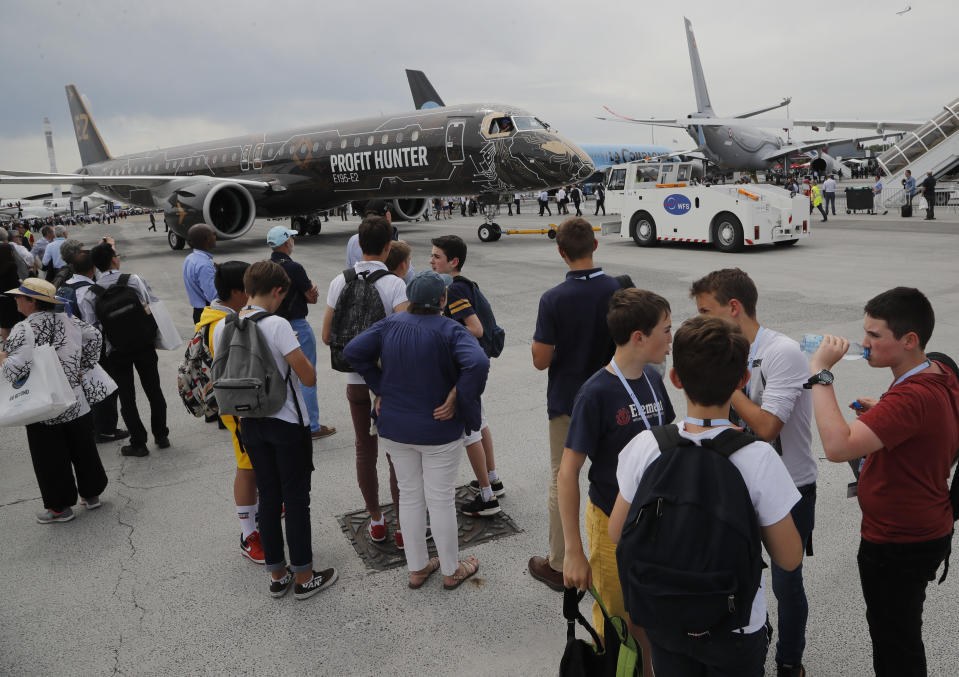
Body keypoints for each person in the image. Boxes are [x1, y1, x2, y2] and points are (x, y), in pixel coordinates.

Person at [608, 315, 803, 676]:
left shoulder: (646, 446)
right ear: (742, 381)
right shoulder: (757, 457)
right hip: (735, 625)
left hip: (664, 617)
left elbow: (617, 533)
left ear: (676, 379)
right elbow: (789, 557)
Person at [806, 287, 958, 676]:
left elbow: (838, 446)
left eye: (875, 335)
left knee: (896, 644)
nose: (864, 343)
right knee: (900, 632)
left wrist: (821, 373)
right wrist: (885, 415)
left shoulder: (911, 398)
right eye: (865, 332)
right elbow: (929, 424)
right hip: (923, 526)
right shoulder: (937, 373)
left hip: (898, 542)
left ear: (910, 340)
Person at [691, 268, 817, 677]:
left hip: (789, 487)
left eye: (706, 312)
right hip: (735, 488)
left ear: (734, 308)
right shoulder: (722, 349)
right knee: (735, 578)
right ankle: (745, 651)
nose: (700, 321)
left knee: (786, 583)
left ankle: (788, 661)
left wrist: (723, 383)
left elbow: (765, 428)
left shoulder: (782, 352)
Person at [344, 270, 489, 590]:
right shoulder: (451, 329)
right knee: (440, 500)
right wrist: (458, 395)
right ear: (443, 299)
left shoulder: (389, 325)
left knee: (409, 497)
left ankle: (418, 567)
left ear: (409, 298)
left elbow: (353, 351)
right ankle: (451, 570)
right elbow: (478, 363)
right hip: (438, 428)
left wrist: (379, 386)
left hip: (394, 426)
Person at [558, 288, 673, 676]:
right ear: (639, 337)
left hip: (654, 523)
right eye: (666, 330)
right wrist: (573, 550)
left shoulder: (655, 380)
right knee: (618, 624)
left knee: (652, 615)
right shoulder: (596, 393)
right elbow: (567, 472)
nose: (671, 338)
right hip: (611, 527)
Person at [212, 261, 338, 600]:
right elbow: (308, 377)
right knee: (296, 501)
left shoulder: (226, 324)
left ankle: (277, 575)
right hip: (285, 422)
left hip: (250, 422)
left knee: (268, 498)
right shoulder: (278, 324)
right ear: (278, 290)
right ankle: (305, 576)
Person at [528, 217, 623, 591]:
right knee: (614, 474)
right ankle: (616, 552)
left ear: (561, 252)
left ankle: (559, 561)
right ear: (595, 247)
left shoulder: (553, 299)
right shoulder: (616, 289)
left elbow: (540, 359)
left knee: (562, 477)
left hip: (568, 400)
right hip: (611, 396)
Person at [323, 215, 408, 545]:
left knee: (364, 450)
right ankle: (403, 526)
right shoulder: (394, 285)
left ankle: (375, 520)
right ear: (389, 247)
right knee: (396, 455)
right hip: (388, 384)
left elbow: (327, 334)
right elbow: (403, 337)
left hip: (356, 383)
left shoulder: (338, 281)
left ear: (359, 245)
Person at [0, 278, 108, 523]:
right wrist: (84, 365)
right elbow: (95, 337)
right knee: (83, 447)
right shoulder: (69, 319)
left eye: (20, 296)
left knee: (49, 455)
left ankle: (59, 507)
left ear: (32, 301)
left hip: (44, 403)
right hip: (75, 397)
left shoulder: (23, 328)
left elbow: (15, 369)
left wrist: (3, 360)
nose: (16, 299)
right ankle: (92, 495)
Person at [195, 260, 265, 565]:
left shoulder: (216, 314)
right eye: (250, 288)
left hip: (238, 404)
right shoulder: (223, 325)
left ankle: (259, 511)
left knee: (253, 463)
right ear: (238, 291)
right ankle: (249, 534)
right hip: (237, 407)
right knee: (246, 466)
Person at [430, 234, 504, 517]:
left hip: (466, 366)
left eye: (437, 256)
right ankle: (492, 480)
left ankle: (487, 498)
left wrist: (442, 327)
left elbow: (475, 328)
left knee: (470, 429)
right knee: (481, 421)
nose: (431, 260)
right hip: (476, 363)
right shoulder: (464, 284)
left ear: (453, 262)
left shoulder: (455, 290)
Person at [90, 241, 169, 457]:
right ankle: (161, 435)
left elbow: (93, 328)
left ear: (96, 266)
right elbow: (149, 304)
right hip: (143, 344)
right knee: (154, 390)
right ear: (114, 260)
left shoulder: (91, 293)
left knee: (127, 397)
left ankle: (138, 442)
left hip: (116, 351)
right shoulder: (133, 280)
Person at [269, 225, 335, 440]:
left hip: (273, 325)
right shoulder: (294, 267)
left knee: (283, 376)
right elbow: (311, 296)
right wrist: (312, 293)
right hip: (296, 324)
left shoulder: (266, 267)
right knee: (307, 375)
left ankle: (288, 422)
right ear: (287, 242)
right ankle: (312, 425)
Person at [68, 250, 128, 444]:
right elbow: (91, 323)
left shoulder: (65, 287)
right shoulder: (87, 290)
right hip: (92, 347)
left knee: (87, 387)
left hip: (71, 345)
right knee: (105, 386)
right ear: (93, 268)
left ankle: (93, 426)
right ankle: (106, 430)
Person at [182, 224, 218, 324]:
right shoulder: (204, 264)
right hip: (207, 313)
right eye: (213, 235)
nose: (215, 237)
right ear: (207, 239)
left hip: (198, 311)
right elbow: (213, 296)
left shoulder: (190, 258)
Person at [0, 244, 22, 341]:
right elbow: (14, 284)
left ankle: (5, 346)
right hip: (10, 299)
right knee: (15, 323)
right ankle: (15, 345)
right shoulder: (11, 266)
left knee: (4, 325)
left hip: (1, 298)